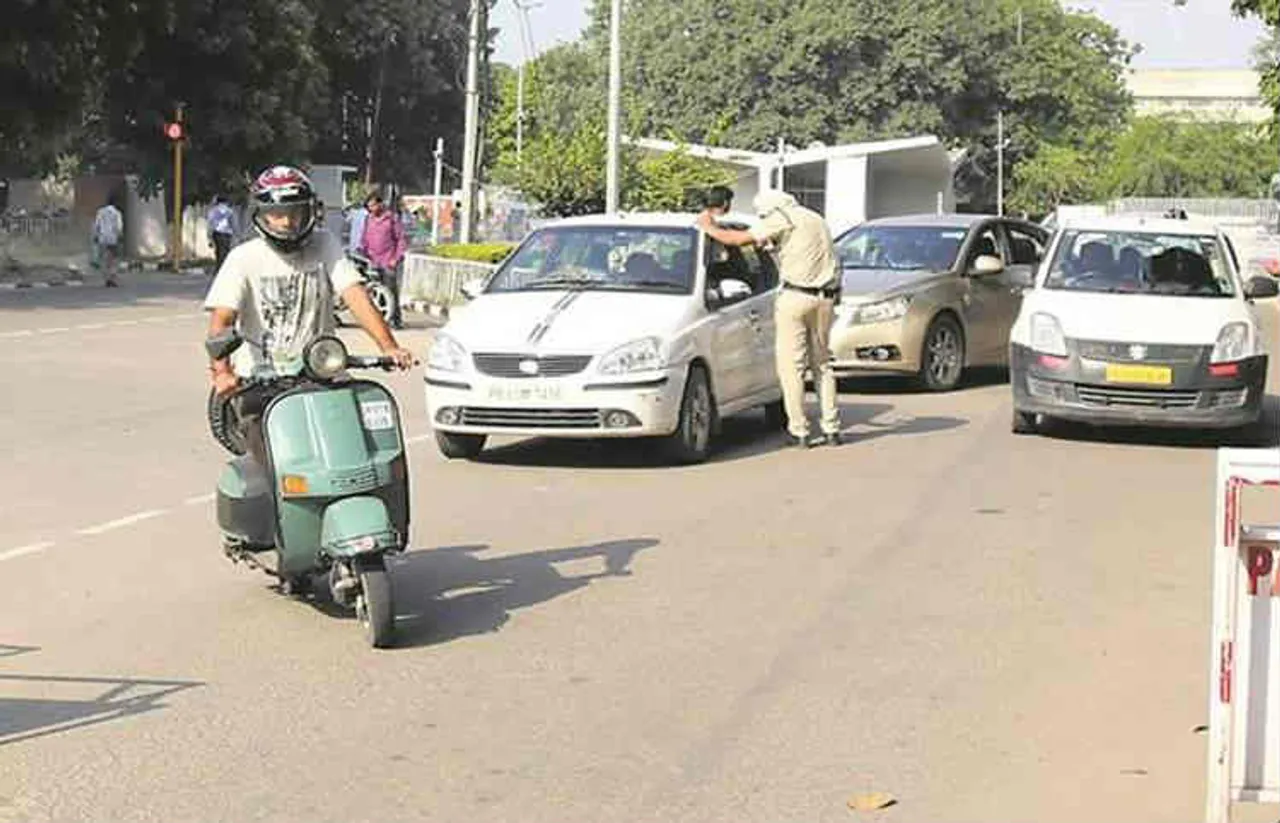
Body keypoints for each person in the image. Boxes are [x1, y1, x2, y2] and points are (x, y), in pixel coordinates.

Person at [204, 165, 413, 464]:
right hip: (259, 386)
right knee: (273, 470)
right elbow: (221, 321)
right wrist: (223, 373)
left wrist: (388, 346)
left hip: (321, 377)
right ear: (261, 215)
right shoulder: (243, 258)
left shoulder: (324, 243)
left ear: (309, 212)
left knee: (355, 454)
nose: (287, 222)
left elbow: (354, 294)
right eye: (278, 213)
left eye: (295, 212)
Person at [696, 189, 842, 448]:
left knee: (792, 367)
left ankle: (800, 431)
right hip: (825, 297)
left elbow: (738, 239)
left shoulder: (782, 216)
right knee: (822, 364)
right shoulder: (815, 219)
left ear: (772, 208)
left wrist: (709, 228)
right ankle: (831, 427)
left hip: (796, 297)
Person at [357, 191, 408, 329]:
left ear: (380, 204)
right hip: (372, 260)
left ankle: (395, 320)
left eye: (373, 205)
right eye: (369, 207)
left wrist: (395, 258)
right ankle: (379, 319)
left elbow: (401, 239)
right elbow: (365, 236)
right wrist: (362, 249)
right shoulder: (369, 219)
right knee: (374, 291)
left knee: (390, 290)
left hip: (388, 260)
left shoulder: (392, 219)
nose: (371, 209)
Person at [92, 195, 125, 287]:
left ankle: (106, 278)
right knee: (114, 258)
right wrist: (120, 236)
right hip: (113, 238)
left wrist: (95, 235)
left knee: (104, 259)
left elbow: (96, 224)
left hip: (102, 237)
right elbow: (118, 227)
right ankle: (112, 277)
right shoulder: (117, 213)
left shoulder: (100, 212)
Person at [206, 195, 238, 274]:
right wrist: (236, 234)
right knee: (226, 251)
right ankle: (225, 269)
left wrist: (209, 236)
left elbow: (210, 224)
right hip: (227, 233)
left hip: (217, 233)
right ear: (226, 202)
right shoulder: (230, 211)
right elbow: (234, 223)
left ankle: (219, 268)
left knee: (219, 251)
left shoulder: (213, 211)